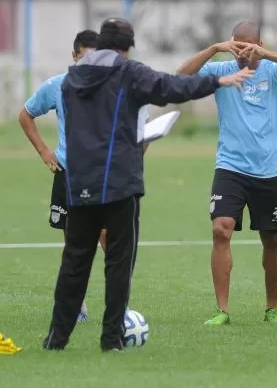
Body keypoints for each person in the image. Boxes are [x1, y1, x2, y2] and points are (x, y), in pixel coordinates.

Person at [42, 18, 253, 352]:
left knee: (74, 264)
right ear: (127, 47)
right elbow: (171, 87)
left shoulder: (71, 80)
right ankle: (111, 340)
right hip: (120, 184)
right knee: (118, 265)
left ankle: (56, 339)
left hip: (79, 182)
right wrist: (219, 81)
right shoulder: (128, 73)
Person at [177, 21, 277, 326]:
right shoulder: (221, 70)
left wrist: (266, 54)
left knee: (271, 239)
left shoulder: (275, 72)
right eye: (238, 45)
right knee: (220, 229)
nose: (243, 52)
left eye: (249, 45)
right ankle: (222, 310)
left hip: (270, 169)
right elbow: (180, 76)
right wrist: (214, 49)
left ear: (259, 43)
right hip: (230, 167)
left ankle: (272, 308)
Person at [19, 29, 106, 323]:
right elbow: (26, 114)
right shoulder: (57, 86)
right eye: (85, 57)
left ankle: (118, 304)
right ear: (74, 56)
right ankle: (77, 304)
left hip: (105, 174)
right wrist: (44, 150)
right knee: (76, 244)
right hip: (69, 173)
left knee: (110, 239)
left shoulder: (113, 87)